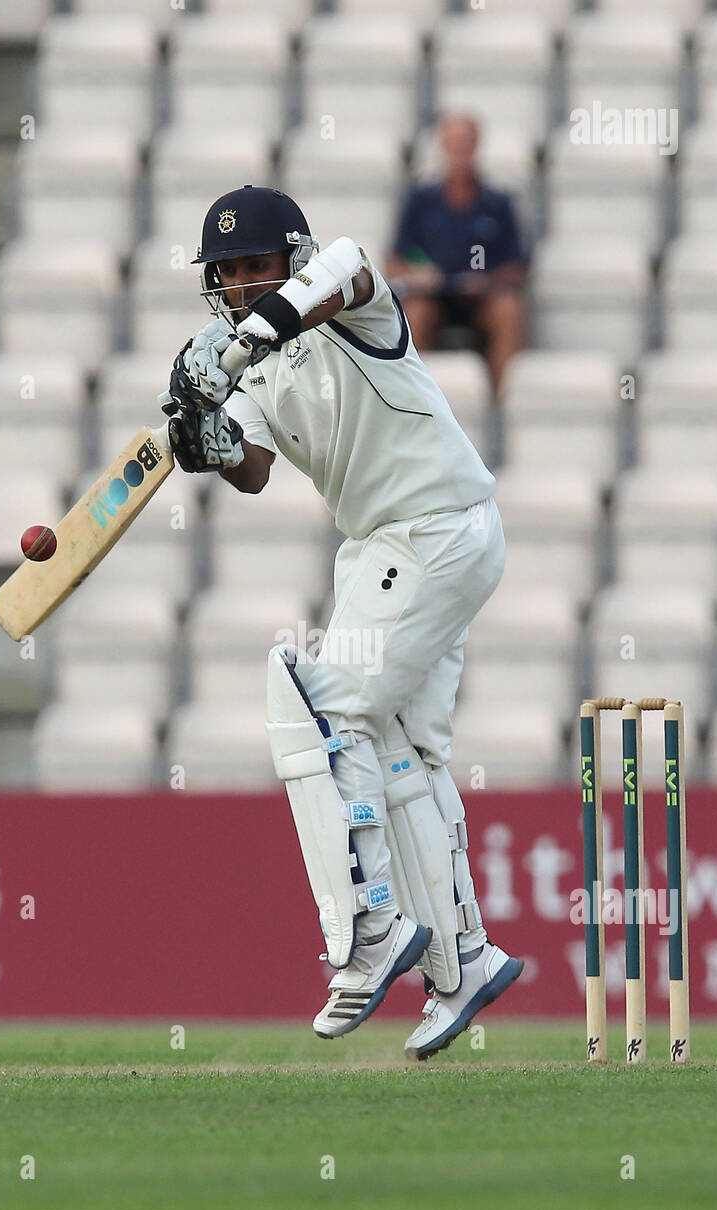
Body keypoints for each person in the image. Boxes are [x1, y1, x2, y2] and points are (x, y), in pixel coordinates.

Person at [160, 184, 523, 1061]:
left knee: (315, 703)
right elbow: (251, 469)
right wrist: (204, 438)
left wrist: (244, 341)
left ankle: (366, 928)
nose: (245, 284)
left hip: (432, 528)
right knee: (405, 750)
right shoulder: (256, 369)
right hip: (392, 545)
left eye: (259, 267)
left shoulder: (347, 305)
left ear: (290, 259)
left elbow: (355, 263)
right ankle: (461, 959)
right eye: (230, 274)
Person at [386, 114, 526, 393]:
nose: (460, 151)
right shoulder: (421, 201)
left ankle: (500, 404)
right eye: (453, 144)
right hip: (434, 297)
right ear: (442, 147)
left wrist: (487, 281)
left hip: (483, 299)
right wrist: (420, 275)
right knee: (415, 313)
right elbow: (395, 263)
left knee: (508, 311)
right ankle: (418, 400)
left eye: (465, 143)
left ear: (476, 146)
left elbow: (517, 268)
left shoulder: (498, 203)